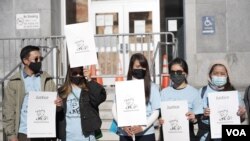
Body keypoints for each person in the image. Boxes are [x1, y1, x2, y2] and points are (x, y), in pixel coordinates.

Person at [3, 45, 62, 141]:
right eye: (36, 59)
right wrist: (12, 136)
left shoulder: (47, 80)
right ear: (25, 61)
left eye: (41, 58)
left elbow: (57, 108)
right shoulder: (14, 82)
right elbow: (8, 111)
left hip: (44, 133)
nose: (39, 61)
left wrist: (58, 105)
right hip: (23, 133)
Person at [112, 53, 161, 141]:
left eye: (143, 67)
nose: (140, 69)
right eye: (137, 66)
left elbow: (156, 111)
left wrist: (142, 127)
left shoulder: (152, 87)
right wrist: (123, 126)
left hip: (146, 134)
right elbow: (114, 108)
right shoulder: (123, 86)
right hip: (126, 134)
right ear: (131, 67)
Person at [196, 60, 246, 141]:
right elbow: (196, 117)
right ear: (210, 75)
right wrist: (203, 114)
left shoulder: (234, 93)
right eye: (215, 73)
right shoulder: (202, 91)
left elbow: (241, 119)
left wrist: (242, 114)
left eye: (222, 74)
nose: (219, 76)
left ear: (227, 75)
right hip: (206, 137)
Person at [56, 66, 106, 141]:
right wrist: (58, 108)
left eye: (80, 73)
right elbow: (58, 114)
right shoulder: (62, 92)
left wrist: (89, 79)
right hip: (68, 136)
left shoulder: (89, 89)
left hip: (88, 137)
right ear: (69, 74)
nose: (78, 75)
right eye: (75, 73)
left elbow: (99, 98)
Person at [160, 57, 203, 141]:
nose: (176, 74)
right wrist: (160, 120)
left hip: (187, 136)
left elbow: (199, 117)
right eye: (173, 72)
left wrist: (194, 119)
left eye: (179, 72)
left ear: (186, 73)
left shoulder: (194, 92)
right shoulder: (164, 93)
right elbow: (160, 115)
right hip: (168, 135)